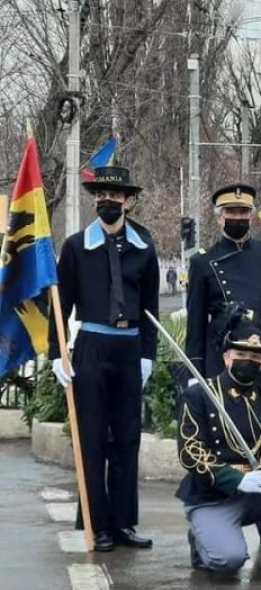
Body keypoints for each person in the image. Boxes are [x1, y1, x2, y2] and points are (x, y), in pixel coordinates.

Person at [49, 165, 159, 552]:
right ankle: (98, 524)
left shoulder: (144, 250)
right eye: (100, 196)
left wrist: (147, 354)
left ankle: (124, 522)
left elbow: (150, 309)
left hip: (129, 348)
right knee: (92, 437)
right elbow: (60, 306)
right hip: (92, 345)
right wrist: (55, 354)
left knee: (127, 439)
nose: (106, 202)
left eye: (114, 197)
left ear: (129, 201)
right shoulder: (77, 247)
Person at [176, 312, 261, 582]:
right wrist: (236, 479)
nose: (248, 362)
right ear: (226, 357)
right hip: (213, 496)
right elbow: (189, 451)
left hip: (258, 491)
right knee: (229, 561)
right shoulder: (200, 396)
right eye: (241, 355)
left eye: (255, 357)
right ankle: (201, 537)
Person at [185, 184, 261, 387]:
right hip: (221, 362)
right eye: (231, 212)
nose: (238, 217)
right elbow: (196, 328)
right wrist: (195, 373)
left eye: (244, 212)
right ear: (220, 217)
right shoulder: (202, 262)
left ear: (251, 216)